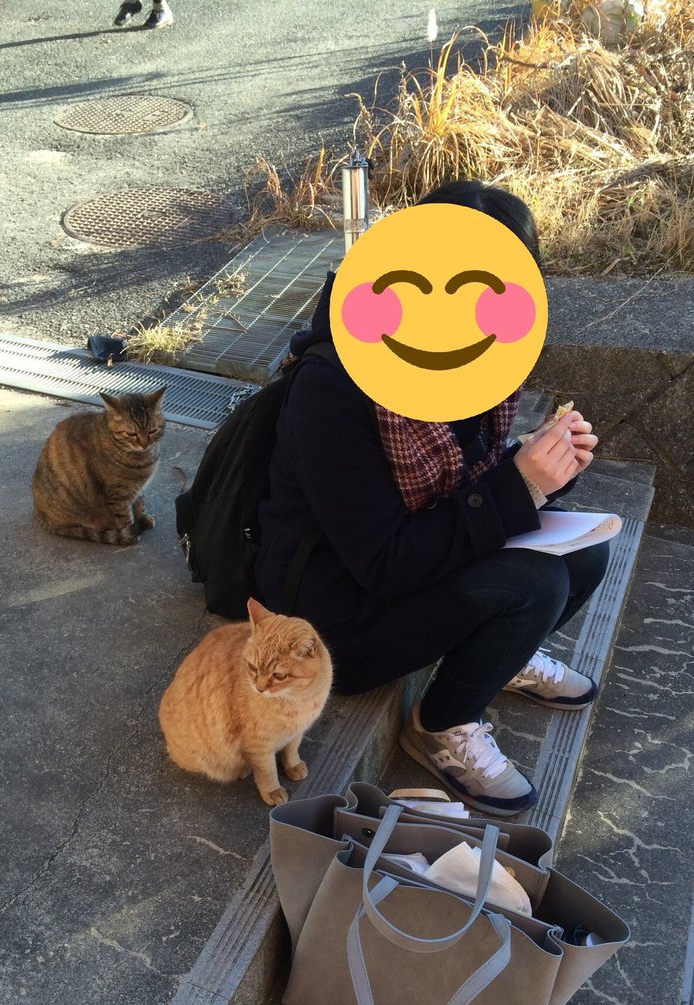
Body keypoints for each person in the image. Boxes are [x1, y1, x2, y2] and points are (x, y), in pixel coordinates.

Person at [254, 179, 607, 817]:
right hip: (333, 622)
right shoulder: (333, 386)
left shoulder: (474, 365)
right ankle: (441, 723)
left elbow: (467, 481)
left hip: (407, 567)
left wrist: (548, 467)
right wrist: (522, 483)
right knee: (533, 584)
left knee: (585, 554)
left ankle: (502, 654)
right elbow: (385, 563)